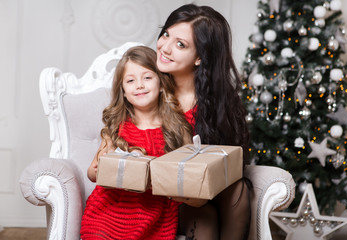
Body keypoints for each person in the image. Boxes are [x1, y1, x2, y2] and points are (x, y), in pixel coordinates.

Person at [156, 4, 252, 240]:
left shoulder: (217, 101)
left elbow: (226, 164)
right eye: (166, 34)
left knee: (237, 191)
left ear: (199, 57)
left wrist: (199, 193)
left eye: (180, 44)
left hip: (199, 193)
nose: (165, 47)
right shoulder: (147, 87)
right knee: (204, 216)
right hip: (159, 193)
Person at [80, 46, 194, 240]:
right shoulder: (117, 127)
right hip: (108, 213)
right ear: (123, 91)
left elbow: (190, 174)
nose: (139, 85)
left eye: (147, 77)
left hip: (155, 214)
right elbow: (92, 173)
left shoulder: (177, 127)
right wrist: (100, 167)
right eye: (131, 80)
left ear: (161, 83)